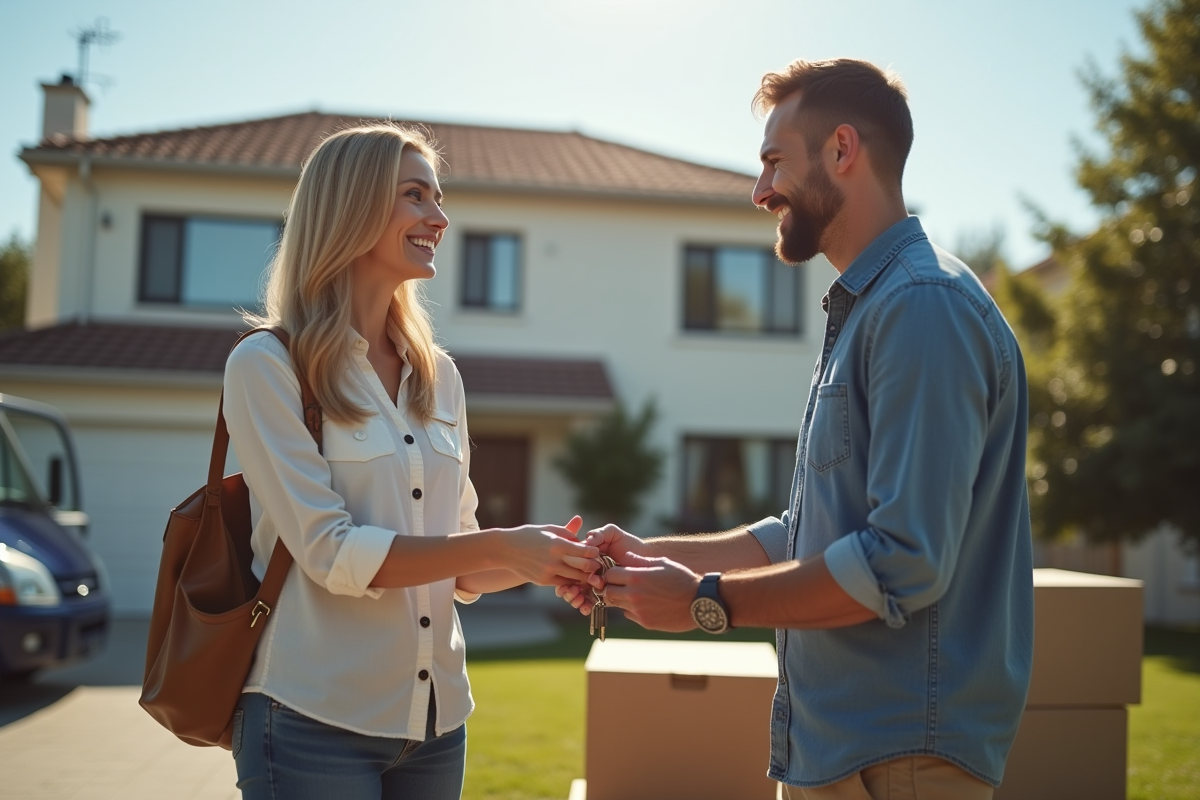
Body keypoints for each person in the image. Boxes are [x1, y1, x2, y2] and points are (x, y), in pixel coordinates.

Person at [560, 59, 1033, 800]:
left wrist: (707, 601)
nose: (760, 192)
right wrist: (649, 559)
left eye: (773, 162)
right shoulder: (871, 311)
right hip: (844, 749)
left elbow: (901, 560)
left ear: (842, 150)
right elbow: (808, 531)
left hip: (899, 756)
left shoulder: (921, 307)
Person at [223, 123, 600, 800]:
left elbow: (458, 559)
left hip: (435, 725)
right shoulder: (269, 367)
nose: (440, 216)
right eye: (416, 196)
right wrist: (504, 548)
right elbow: (331, 554)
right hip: (310, 721)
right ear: (352, 207)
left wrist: (546, 560)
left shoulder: (439, 377)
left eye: (438, 196)